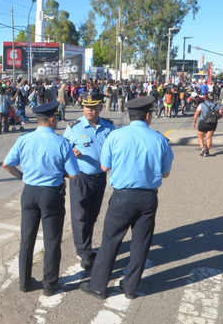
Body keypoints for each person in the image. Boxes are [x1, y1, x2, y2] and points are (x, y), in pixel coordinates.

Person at [80, 96, 173, 300]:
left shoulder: (116, 136)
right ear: (148, 116)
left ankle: (98, 286)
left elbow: (104, 166)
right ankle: (130, 287)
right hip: (148, 198)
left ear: (131, 116)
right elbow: (165, 173)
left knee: (110, 241)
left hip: (122, 196)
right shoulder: (159, 139)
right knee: (140, 243)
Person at [2, 101, 80, 296]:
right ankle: (49, 285)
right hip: (51, 194)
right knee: (52, 241)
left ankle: (24, 283)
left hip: (29, 193)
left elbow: (6, 164)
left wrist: (22, 176)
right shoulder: (62, 142)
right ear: (52, 119)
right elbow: (74, 174)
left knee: (26, 239)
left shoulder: (24, 139)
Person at [63, 92, 115, 270]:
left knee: (92, 215)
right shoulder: (74, 127)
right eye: (86, 106)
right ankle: (83, 252)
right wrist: (72, 152)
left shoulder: (108, 127)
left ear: (101, 106)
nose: (89, 110)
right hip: (81, 177)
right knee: (80, 216)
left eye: (92, 107)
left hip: (100, 178)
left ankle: (87, 246)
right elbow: (63, 149)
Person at [192, 93, 223, 157]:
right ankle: (207, 152)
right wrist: (216, 118)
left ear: (206, 97)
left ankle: (202, 147)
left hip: (203, 122)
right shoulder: (217, 105)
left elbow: (196, 114)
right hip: (213, 123)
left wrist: (194, 122)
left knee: (200, 136)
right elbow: (221, 114)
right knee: (209, 138)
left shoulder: (202, 105)